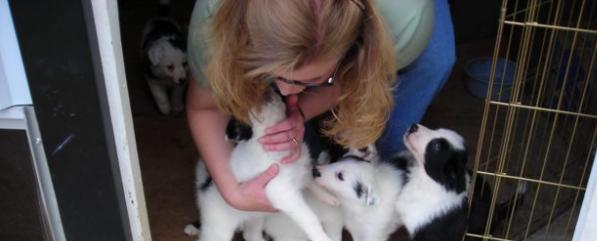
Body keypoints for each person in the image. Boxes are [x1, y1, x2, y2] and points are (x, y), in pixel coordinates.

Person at [186, 0, 455, 213]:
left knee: (434, 60)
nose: (285, 92)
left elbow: (361, 73)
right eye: (276, 77)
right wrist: (233, 192)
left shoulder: (405, 17)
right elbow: (205, 106)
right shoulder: (214, 18)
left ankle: (373, 161)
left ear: (357, 41)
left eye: (314, 78)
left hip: (392, 17)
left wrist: (303, 110)